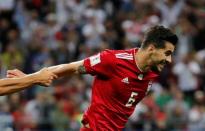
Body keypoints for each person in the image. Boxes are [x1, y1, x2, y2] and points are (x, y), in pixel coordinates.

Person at [8, 26, 178, 131]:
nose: (169, 60)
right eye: (167, 53)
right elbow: (71, 67)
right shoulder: (112, 60)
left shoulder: (153, 72)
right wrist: (32, 77)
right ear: (151, 48)